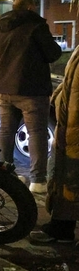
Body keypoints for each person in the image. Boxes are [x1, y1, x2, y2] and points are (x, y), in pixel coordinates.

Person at [0, 0, 62, 194]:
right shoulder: (35, 27)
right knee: (36, 132)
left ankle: (6, 174)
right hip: (32, 90)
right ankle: (38, 180)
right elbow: (53, 53)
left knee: (5, 130)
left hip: (3, 90)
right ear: (30, 7)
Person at [31, 48, 79, 245]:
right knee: (66, 179)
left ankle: (62, 228)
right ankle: (61, 228)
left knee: (71, 179)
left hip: (74, 129)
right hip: (69, 128)